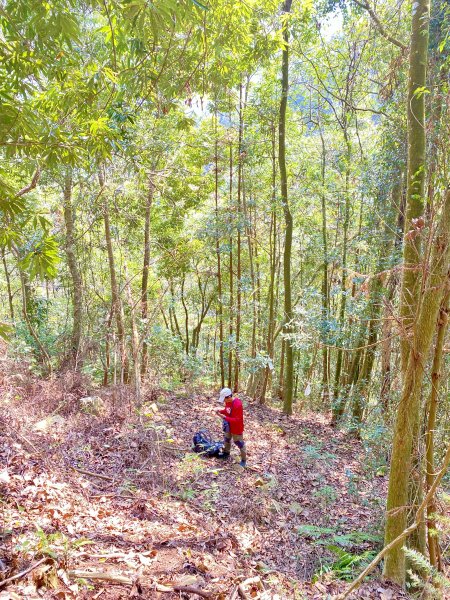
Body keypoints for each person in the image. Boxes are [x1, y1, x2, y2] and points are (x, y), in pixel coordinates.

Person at [216, 387, 247, 468]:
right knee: (227, 439)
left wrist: (224, 417)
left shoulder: (237, 404)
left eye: (224, 399)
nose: (224, 401)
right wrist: (221, 411)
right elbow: (228, 410)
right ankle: (226, 452)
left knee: (239, 443)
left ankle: (244, 460)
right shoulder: (228, 402)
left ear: (229, 397)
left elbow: (237, 419)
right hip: (228, 425)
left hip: (237, 427)